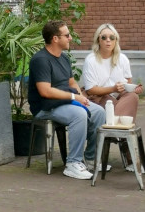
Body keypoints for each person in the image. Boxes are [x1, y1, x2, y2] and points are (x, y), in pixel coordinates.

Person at [28, 20, 106, 179]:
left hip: (66, 102)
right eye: (67, 35)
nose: (70, 38)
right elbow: (45, 91)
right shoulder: (40, 60)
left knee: (98, 111)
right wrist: (74, 96)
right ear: (55, 39)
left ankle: (90, 158)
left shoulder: (63, 58)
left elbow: (71, 82)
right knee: (79, 114)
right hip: (46, 107)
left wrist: (82, 98)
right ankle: (73, 163)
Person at [82, 23, 142, 170]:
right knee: (113, 104)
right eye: (104, 37)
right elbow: (90, 90)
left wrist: (134, 88)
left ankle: (114, 132)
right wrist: (113, 88)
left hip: (118, 98)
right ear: (98, 40)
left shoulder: (122, 59)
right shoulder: (91, 60)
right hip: (97, 97)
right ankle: (129, 157)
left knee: (133, 97)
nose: (108, 40)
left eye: (112, 37)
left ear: (116, 40)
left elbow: (127, 84)